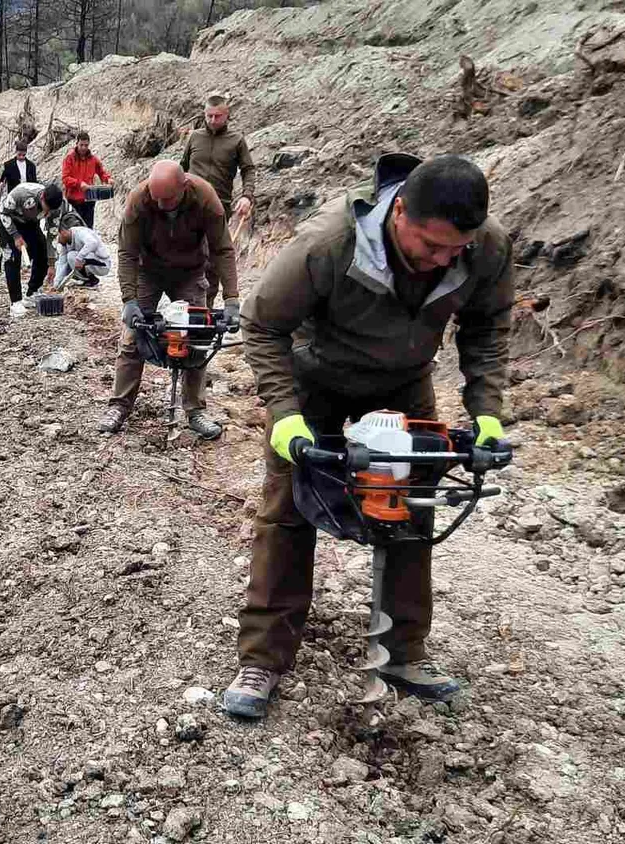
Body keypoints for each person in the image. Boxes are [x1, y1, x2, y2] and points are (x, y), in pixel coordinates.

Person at [221, 154, 514, 719]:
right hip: (317, 375)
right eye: (430, 246)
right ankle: (262, 657)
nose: (441, 261)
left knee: (407, 508)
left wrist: (487, 415)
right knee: (289, 509)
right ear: (398, 210)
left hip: (405, 380)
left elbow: (487, 328)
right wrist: (286, 418)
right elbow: (261, 323)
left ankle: (402, 651)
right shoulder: (330, 242)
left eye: (454, 251)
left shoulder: (485, 247)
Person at [96, 161, 236, 440]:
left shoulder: (206, 198)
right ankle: (120, 405)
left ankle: (195, 411)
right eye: (157, 198)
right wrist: (129, 300)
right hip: (149, 271)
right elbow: (126, 253)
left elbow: (222, 250)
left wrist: (232, 299)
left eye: (168, 199)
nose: (161, 205)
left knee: (197, 337)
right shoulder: (139, 200)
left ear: (184, 187)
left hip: (190, 271)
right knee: (133, 335)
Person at [180, 92, 256, 306]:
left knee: (212, 261)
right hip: (189, 206)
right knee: (188, 255)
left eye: (217, 116)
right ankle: (183, 303)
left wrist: (247, 196)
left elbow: (248, 170)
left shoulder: (237, 140)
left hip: (218, 208)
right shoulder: (194, 137)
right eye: (209, 116)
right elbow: (181, 167)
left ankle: (206, 307)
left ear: (227, 115)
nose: (213, 120)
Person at [0, 181, 65, 318]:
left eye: (52, 211)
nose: (49, 213)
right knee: (13, 258)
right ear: (42, 198)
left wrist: (51, 263)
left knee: (42, 251)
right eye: (47, 209)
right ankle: (15, 302)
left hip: (30, 222)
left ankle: (32, 292)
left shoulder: (55, 207)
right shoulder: (22, 194)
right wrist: (16, 236)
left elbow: (52, 234)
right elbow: (2, 212)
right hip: (9, 220)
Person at [61, 130, 112, 227]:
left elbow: (102, 172)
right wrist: (79, 184)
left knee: (88, 228)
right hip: (73, 200)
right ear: (77, 143)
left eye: (86, 145)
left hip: (89, 199)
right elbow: (65, 178)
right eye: (81, 145)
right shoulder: (69, 159)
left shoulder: (93, 159)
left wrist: (107, 179)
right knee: (75, 229)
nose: (84, 148)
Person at [53, 218, 111, 289]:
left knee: (71, 256)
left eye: (57, 239)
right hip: (90, 261)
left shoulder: (80, 232)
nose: (58, 242)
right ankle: (88, 280)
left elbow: (92, 243)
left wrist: (79, 258)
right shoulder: (65, 243)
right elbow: (62, 263)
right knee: (60, 262)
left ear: (63, 233)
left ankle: (91, 280)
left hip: (103, 263)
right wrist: (56, 283)